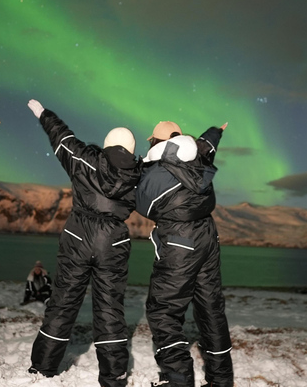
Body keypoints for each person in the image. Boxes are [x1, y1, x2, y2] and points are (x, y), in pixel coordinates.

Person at [26, 99, 141, 387]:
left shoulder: (85, 159)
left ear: (106, 144)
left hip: (78, 236)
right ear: (130, 148)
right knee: (110, 308)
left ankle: (42, 367)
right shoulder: (139, 174)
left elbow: (62, 138)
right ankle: (114, 374)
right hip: (113, 242)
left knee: (63, 302)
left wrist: (43, 114)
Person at [135, 121, 234, 387]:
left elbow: (144, 206)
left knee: (164, 312)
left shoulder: (155, 172)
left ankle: (177, 380)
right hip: (207, 236)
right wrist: (217, 129)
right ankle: (221, 380)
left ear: (156, 142)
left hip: (179, 242)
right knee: (211, 309)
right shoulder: (199, 155)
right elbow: (207, 142)